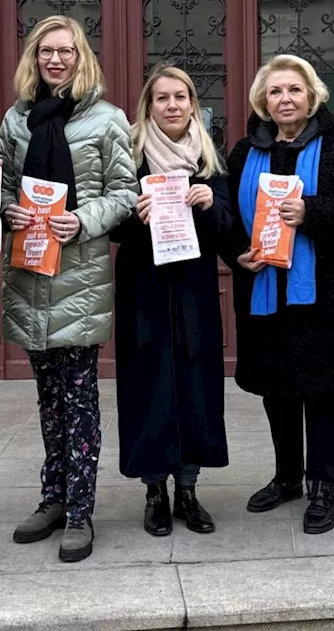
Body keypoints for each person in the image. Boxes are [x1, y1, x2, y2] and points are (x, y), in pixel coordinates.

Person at [0, 15, 136, 563]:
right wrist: (5, 208)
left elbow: (125, 192)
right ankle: (51, 497)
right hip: (30, 270)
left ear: (82, 58)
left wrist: (84, 219)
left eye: (66, 51)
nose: (56, 60)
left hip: (78, 274)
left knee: (78, 398)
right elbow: (5, 184)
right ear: (34, 58)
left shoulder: (107, 120)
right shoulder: (17, 120)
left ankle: (80, 510)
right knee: (47, 397)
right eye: (46, 51)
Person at [224, 54, 334, 535]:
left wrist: (309, 212)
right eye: (275, 92)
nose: (285, 99)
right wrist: (237, 254)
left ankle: (325, 486)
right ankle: (288, 477)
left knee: (322, 392)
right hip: (264, 291)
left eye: (294, 90)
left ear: (312, 96)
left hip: (322, 296)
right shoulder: (243, 153)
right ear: (263, 101)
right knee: (276, 389)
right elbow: (228, 219)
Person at [113, 64, 231, 537]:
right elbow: (111, 220)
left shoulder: (207, 158)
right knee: (149, 385)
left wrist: (210, 203)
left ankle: (188, 489)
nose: (173, 105)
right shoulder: (130, 156)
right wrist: (133, 216)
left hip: (193, 291)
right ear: (148, 106)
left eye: (180, 96)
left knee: (195, 386)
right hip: (144, 289)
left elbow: (229, 224)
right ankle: (154, 492)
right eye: (162, 98)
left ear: (192, 103)